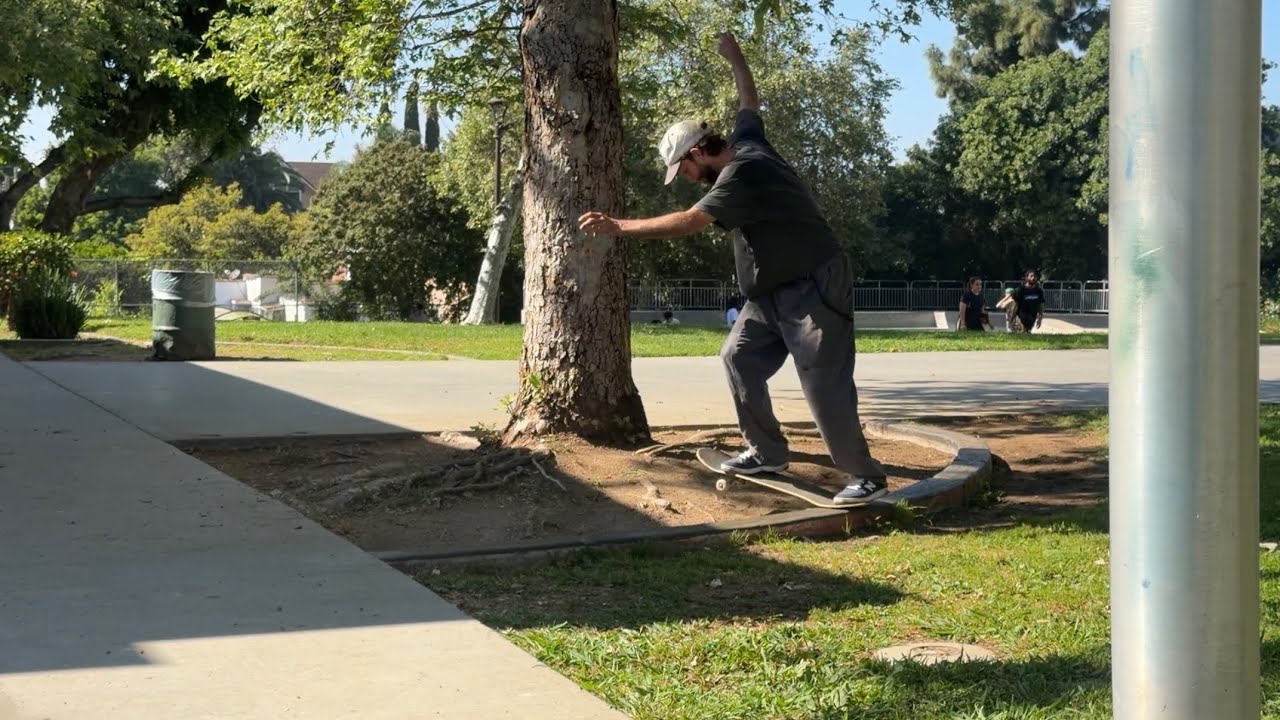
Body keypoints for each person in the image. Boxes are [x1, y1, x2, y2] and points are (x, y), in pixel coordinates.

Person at [578, 31, 887, 505]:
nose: (684, 180)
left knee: (821, 378)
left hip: (812, 285)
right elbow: (749, 99)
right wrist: (736, 58)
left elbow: (688, 223)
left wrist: (618, 226)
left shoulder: (741, 173)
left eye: (682, 171)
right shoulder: (746, 139)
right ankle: (766, 450)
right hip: (769, 295)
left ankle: (864, 475)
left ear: (696, 153)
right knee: (737, 357)